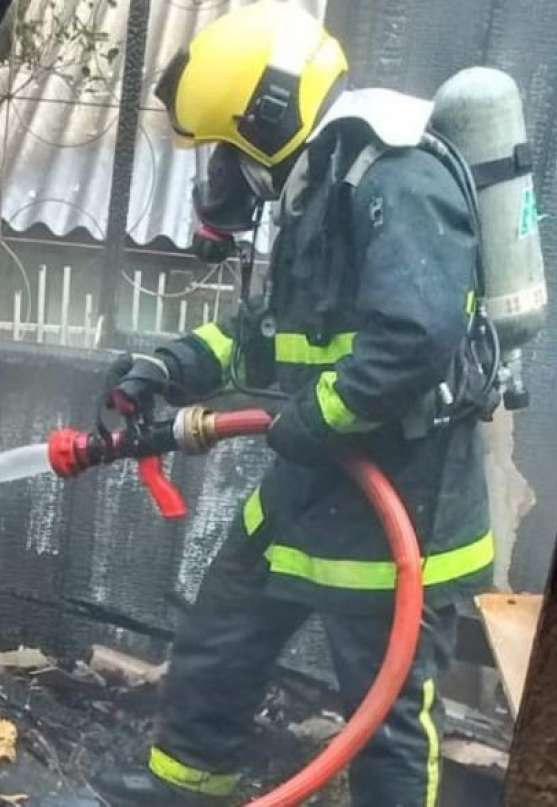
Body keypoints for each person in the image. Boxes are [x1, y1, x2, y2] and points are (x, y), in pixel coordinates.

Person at [95, 4, 494, 806]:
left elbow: (416, 336)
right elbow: (269, 336)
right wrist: (165, 368)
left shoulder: (394, 176)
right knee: (221, 632)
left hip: (401, 512)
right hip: (311, 488)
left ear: (268, 115)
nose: (226, 174)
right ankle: (186, 789)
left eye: (229, 150)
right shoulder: (321, 186)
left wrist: (318, 419)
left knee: (384, 718)